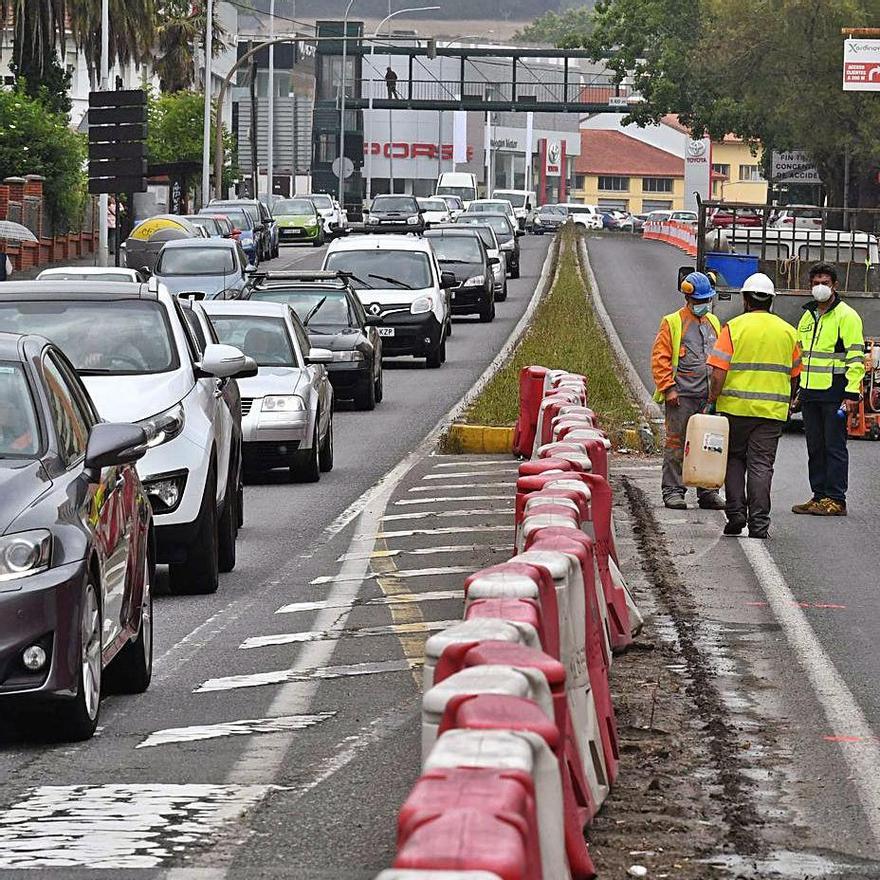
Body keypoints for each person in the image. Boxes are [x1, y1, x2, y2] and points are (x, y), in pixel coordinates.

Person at [706, 273, 801, 539]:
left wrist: (712, 399)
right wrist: (788, 403)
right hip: (771, 413)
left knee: (734, 461)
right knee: (761, 465)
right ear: (771, 300)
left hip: (734, 410)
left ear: (745, 299)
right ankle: (759, 525)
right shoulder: (788, 332)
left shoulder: (733, 328)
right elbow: (795, 376)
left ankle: (736, 514)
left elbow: (718, 372)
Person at [791, 262, 865, 517]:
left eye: (824, 282)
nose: (819, 287)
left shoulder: (847, 316)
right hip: (811, 392)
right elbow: (801, 355)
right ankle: (819, 495)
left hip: (835, 392)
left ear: (835, 285)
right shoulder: (807, 316)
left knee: (834, 447)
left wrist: (852, 392)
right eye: (815, 283)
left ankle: (836, 499)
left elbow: (856, 358)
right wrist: (798, 390)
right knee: (815, 446)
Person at [651, 270, 726, 510]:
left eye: (706, 301)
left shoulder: (713, 322)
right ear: (688, 300)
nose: (704, 305)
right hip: (681, 396)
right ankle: (673, 491)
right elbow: (660, 359)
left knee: (709, 445)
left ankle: (708, 491)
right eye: (699, 302)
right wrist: (668, 389)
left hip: (707, 396)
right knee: (677, 444)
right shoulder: (673, 322)